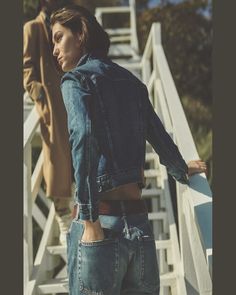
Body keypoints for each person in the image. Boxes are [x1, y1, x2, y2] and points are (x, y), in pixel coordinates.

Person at [50, 4, 207, 295]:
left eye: (59, 38)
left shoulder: (75, 80)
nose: (55, 50)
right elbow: (158, 135)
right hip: (139, 227)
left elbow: (83, 135)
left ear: (81, 33)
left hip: (99, 226)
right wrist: (180, 169)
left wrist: (89, 217)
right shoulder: (134, 84)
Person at [23, 0, 74, 245]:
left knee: (74, 152)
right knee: (56, 157)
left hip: (69, 95)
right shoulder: (32, 27)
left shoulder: (63, 24)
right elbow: (26, 67)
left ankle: (76, 213)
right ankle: (64, 220)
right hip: (50, 101)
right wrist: (38, 94)